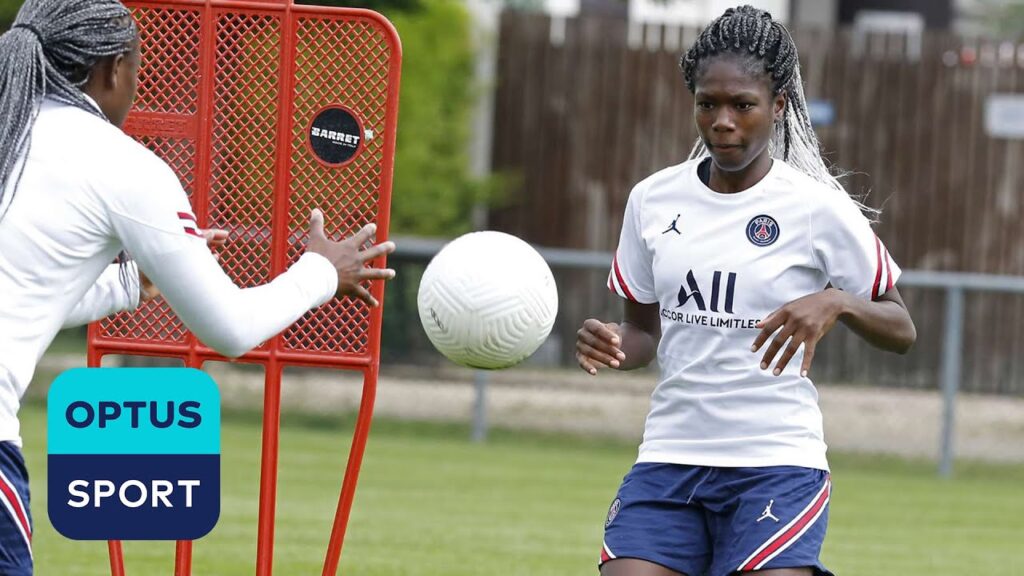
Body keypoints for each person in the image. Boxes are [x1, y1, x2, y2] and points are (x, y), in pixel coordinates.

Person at [0, 1, 396, 573]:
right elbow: (230, 330)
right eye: (139, 70)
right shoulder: (121, 164)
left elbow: (22, 296)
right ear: (113, 70)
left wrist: (131, 284)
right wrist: (321, 271)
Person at [576, 6, 916, 576]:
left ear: (778, 106)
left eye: (743, 105)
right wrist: (612, 341)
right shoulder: (653, 200)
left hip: (776, 463)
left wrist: (837, 301)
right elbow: (643, 333)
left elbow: (902, 329)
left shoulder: (815, 208)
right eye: (708, 104)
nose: (723, 121)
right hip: (670, 458)